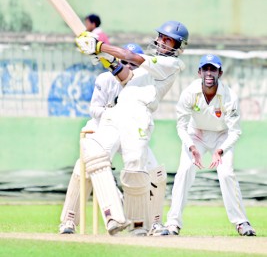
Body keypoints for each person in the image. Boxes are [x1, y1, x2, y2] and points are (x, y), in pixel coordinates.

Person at [75, 20, 189, 236]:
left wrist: (99, 46)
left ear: (177, 46)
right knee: (95, 155)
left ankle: (141, 225)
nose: (163, 42)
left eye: (169, 39)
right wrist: (106, 59)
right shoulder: (147, 68)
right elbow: (126, 76)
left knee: (136, 168)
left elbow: (130, 57)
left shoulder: (170, 65)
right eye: (162, 37)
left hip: (137, 115)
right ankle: (114, 216)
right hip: (117, 111)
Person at [59, 43, 157, 234]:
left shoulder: (145, 82)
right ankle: (69, 220)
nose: (128, 68)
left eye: (133, 64)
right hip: (103, 127)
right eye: (125, 63)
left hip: (130, 131)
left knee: (155, 172)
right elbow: (94, 110)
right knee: (85, 166)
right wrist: (115, 115)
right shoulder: (105, 78)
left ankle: (152, 222)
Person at [159, 54, 256, 237]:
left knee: (226, 173)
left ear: (220, 72)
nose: (209, 73)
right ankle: (173, 224)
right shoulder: (189, 93)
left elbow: (235, 131)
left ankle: (242, 222)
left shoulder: (229, 97)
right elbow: (181, 125)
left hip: (222, 136)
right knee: (185, 171)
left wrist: (220, 150)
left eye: (213, 69)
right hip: (196, 135)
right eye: (206, 69)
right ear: (199, 72)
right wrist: (191, 147)